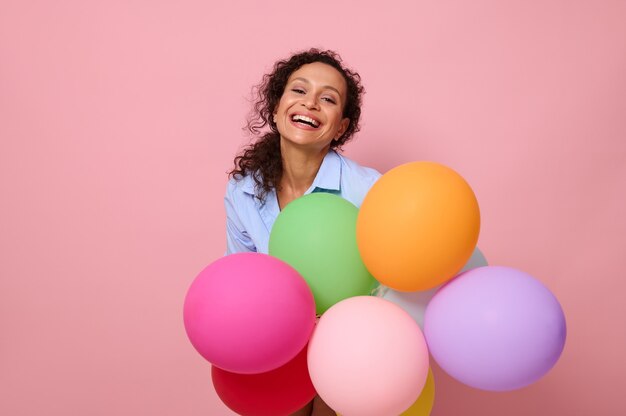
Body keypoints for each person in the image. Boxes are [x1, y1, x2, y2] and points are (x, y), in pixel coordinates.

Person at [224, 49, 381, 416]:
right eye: (298, 91)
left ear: (340, 127)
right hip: (278, 343)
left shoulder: (369, 191)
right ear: (276, 109)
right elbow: (240, 277)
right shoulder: (242, 189)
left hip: (352, 348)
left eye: (328, 99)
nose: (310, 103)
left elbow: (391, 288)